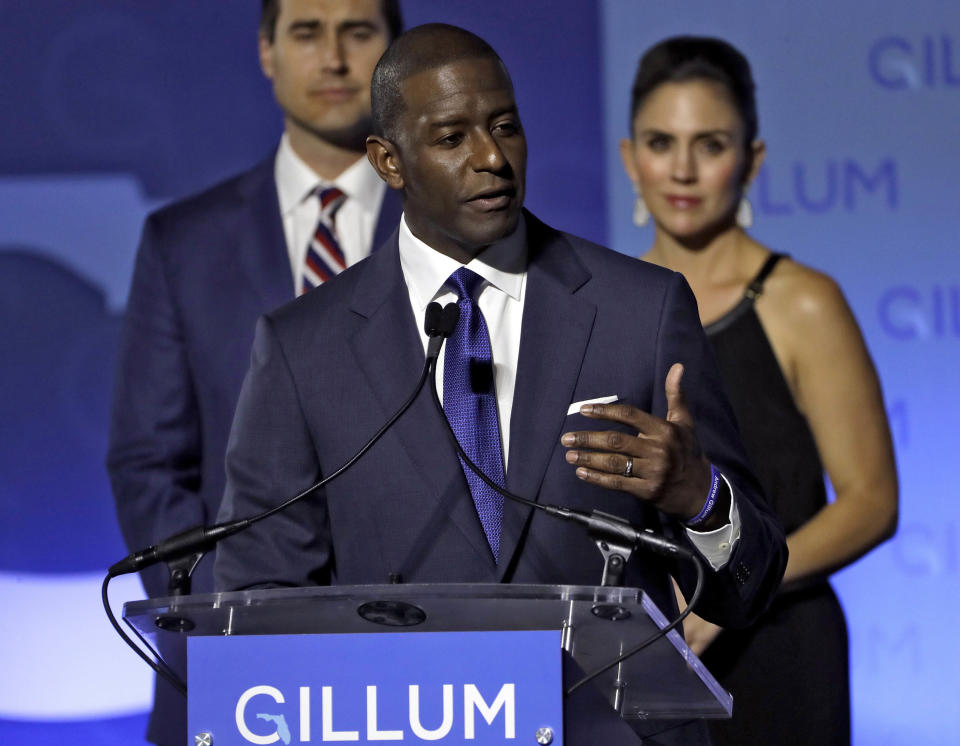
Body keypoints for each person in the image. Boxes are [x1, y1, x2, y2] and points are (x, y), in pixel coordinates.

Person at [214, 24, 788, 744]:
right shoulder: (305, 349)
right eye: (452, 138)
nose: (492, 158)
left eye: (505, 127)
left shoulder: (640, 311)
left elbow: (752, 587)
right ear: (388, 162)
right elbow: (258, 600)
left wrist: (698, 498)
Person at [106, 2, 404, 743]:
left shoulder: (458, 227)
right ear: (267, 52)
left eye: (358, 31)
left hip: (424, 673)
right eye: (307, 32)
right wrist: (238, 617)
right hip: (231, 676)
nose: (333, 58)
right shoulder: (184, 244)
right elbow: (149, 463)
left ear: (396, 52)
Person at [618, 36, 898, 745]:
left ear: (753, 159)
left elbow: (871, 501)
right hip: (649, 653)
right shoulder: (610, 302)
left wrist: (730, 589)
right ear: (629, 158)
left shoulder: (801, 302)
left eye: (709, 144)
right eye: (661, 142)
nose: (682, 169)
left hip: (777, 647)